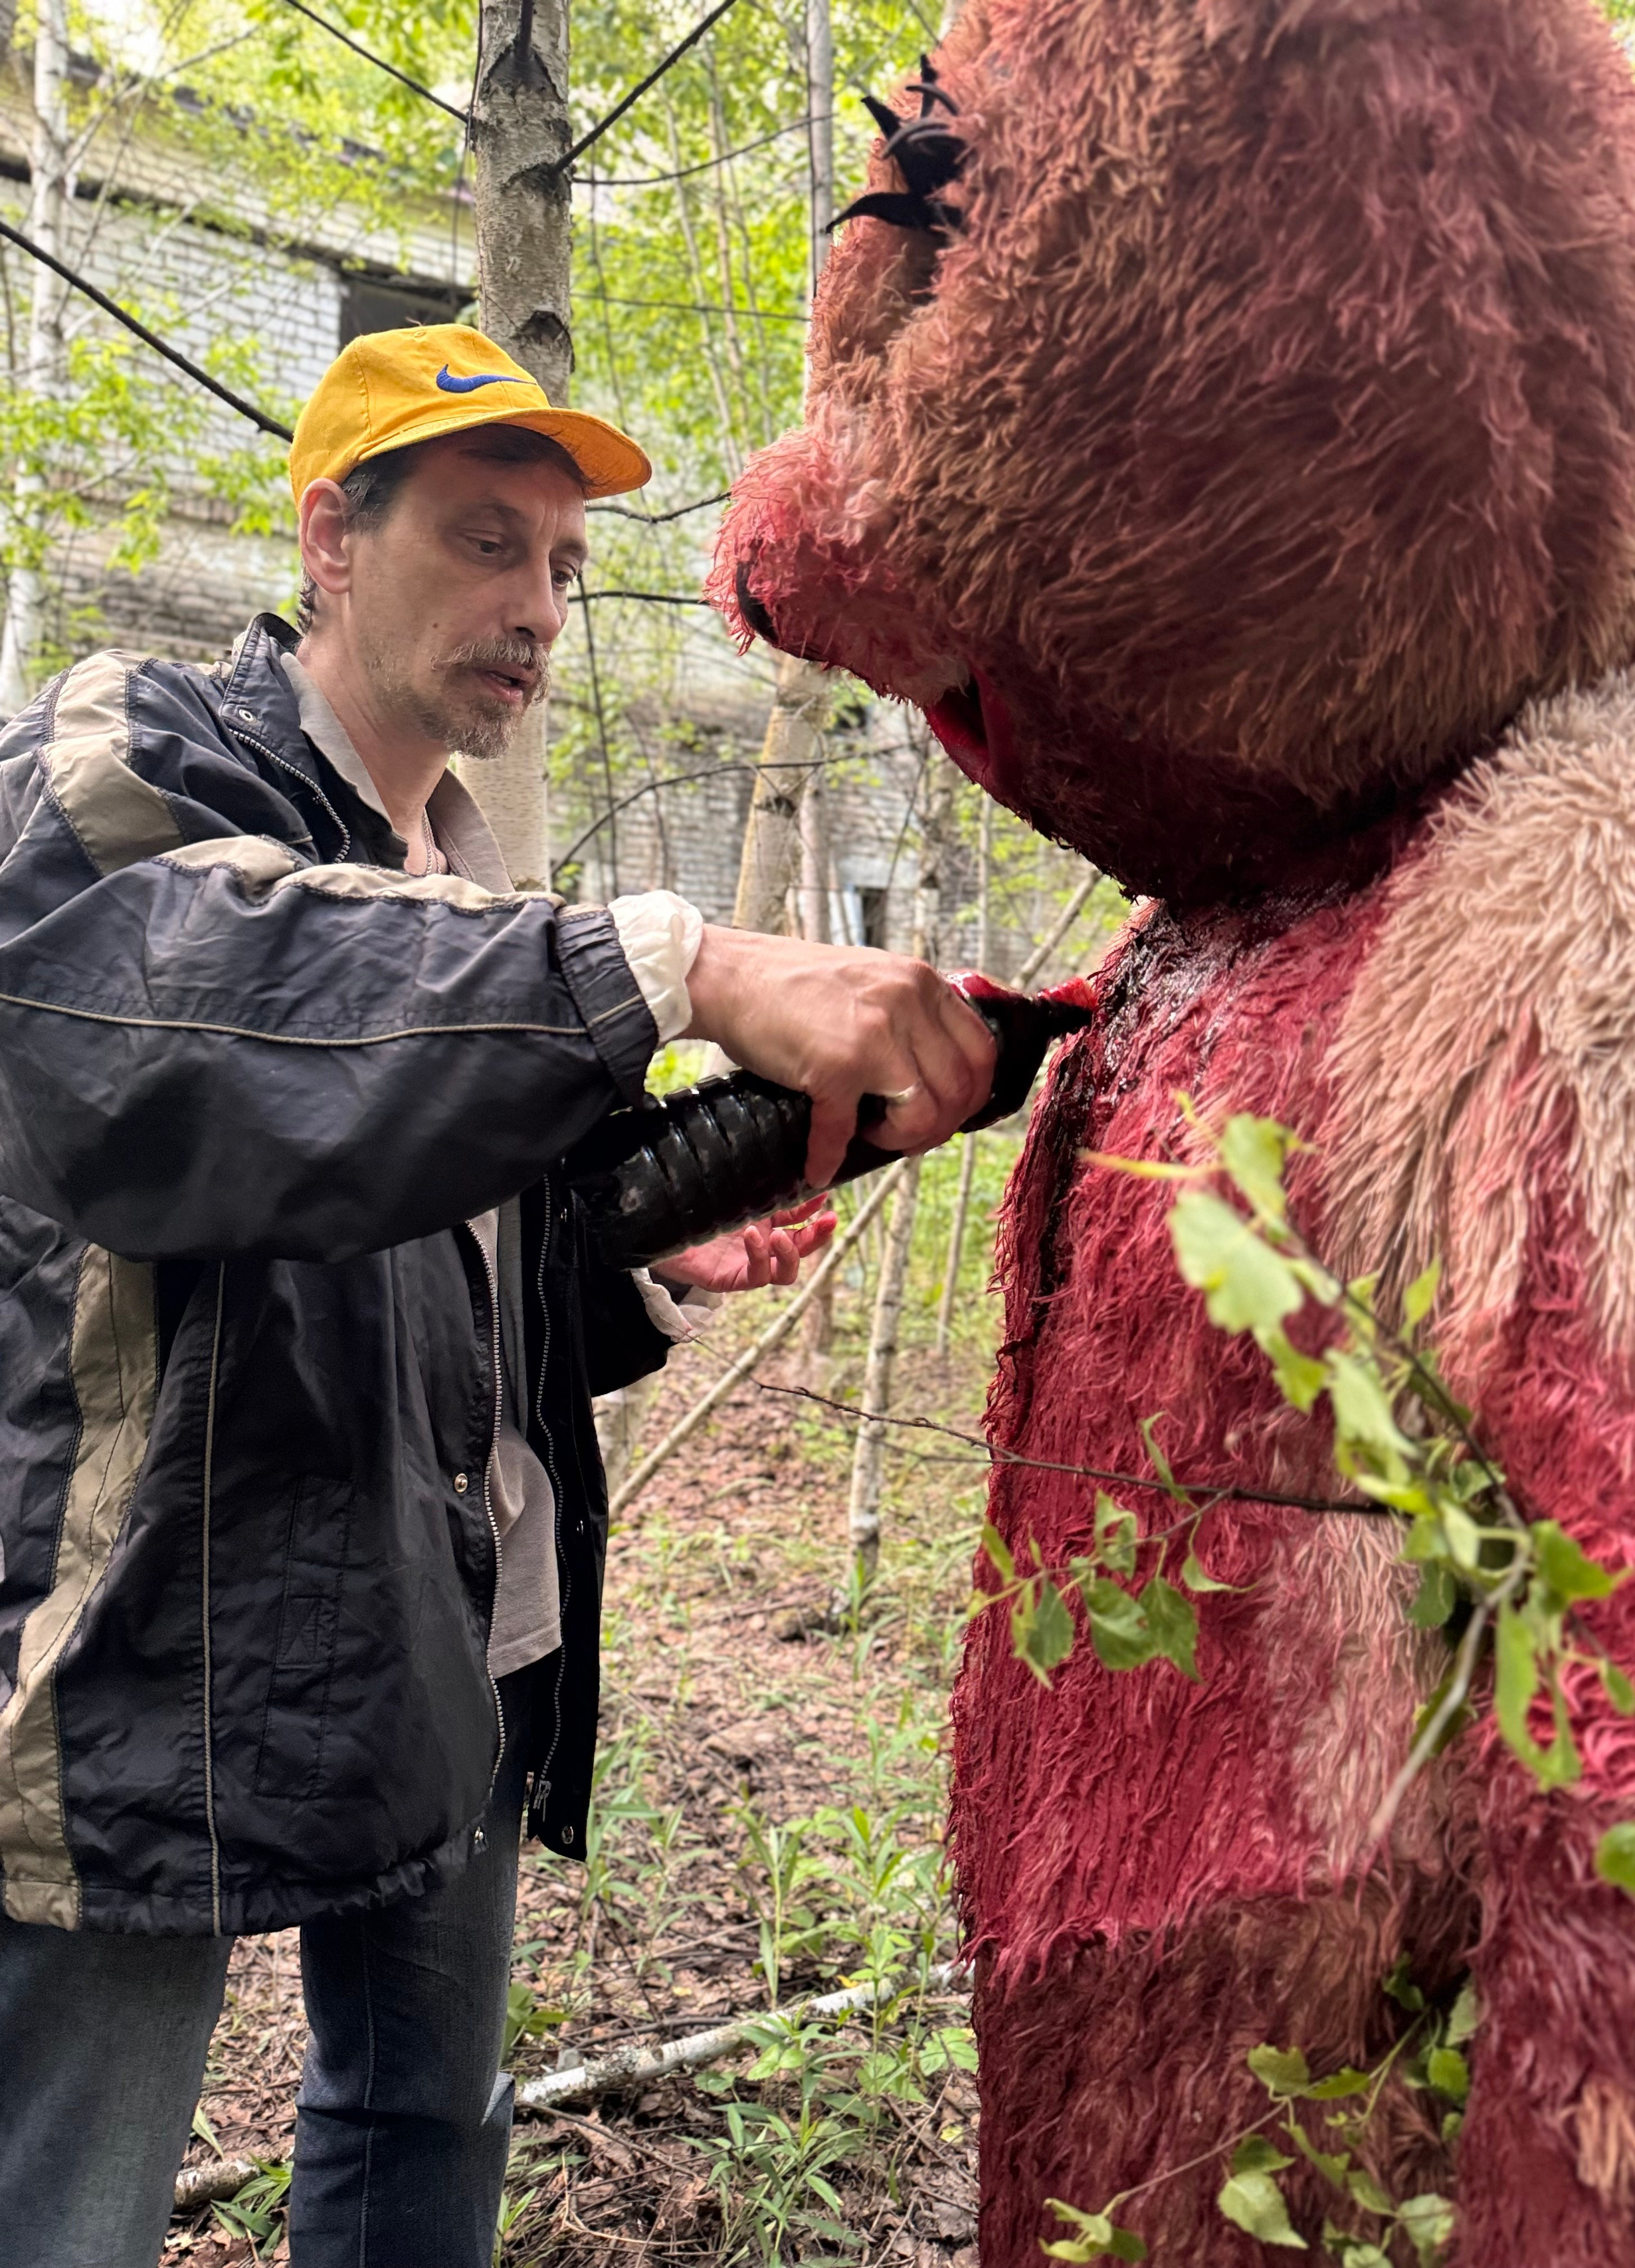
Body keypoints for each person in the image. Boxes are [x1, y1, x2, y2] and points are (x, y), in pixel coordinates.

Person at [0, 324, 993, 2268]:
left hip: (455, 1609)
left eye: (562, 568)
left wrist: (632, 1253)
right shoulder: (117, 762)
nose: (537, 608)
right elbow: (218, 1028)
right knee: (73, 2203)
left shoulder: (460, 868)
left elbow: (422, 1240)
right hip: (153, 1646)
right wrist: (684, 963)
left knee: (422, 2121)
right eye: (482, 542)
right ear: (328, 538)